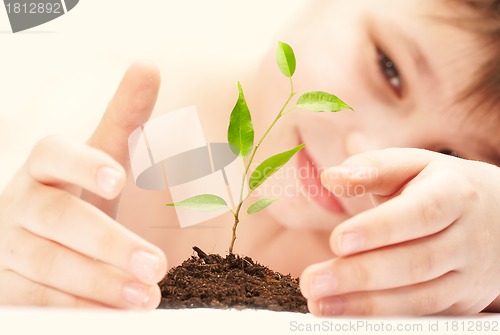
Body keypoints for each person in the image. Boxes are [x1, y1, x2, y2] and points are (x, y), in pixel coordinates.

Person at [0, 0, 499, 316]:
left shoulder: (440, 260)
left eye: (448, 157)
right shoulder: (142, 118)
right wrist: (24, 241)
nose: (366, 153)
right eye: (388, 68)